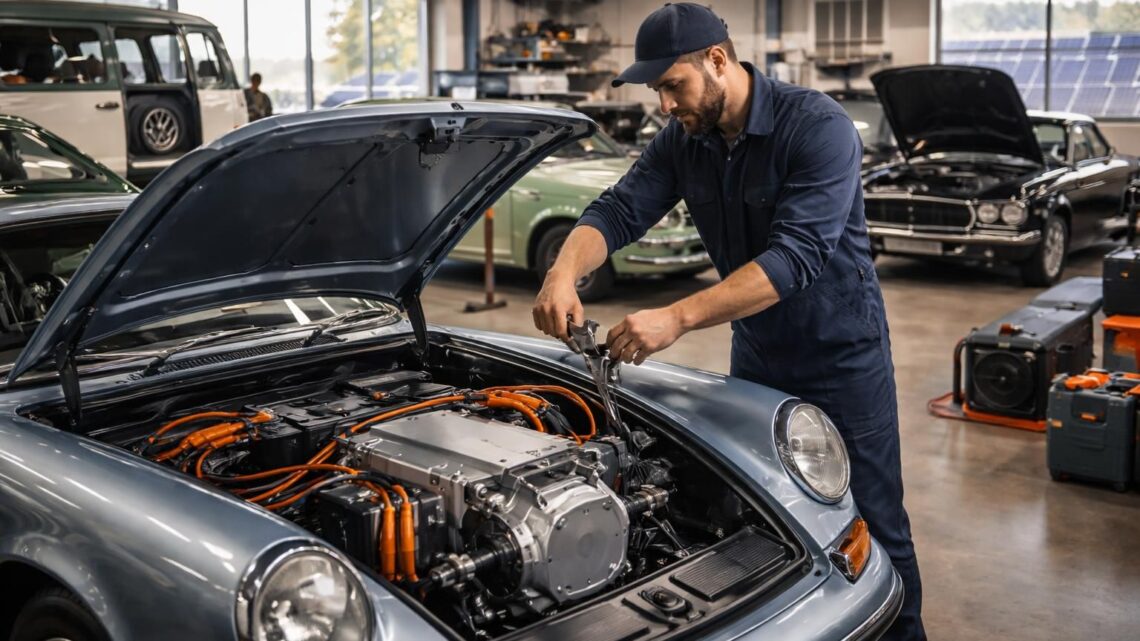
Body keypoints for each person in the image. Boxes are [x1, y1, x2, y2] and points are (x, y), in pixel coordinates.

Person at [531, 4, 925, 640]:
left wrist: (679, 316)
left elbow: (794, 258)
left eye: (671, 86)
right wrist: (561, 272)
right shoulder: (685, 140)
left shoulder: (817, 127)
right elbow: (619, 210)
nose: (664, 105)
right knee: (767, 521)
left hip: (841, 355)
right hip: (758, 354)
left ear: (718, 61)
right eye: (657, 90)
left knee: (874, 524)